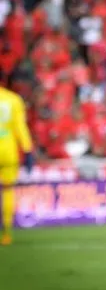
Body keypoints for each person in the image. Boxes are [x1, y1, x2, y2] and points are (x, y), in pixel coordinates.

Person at [0, 78, 34, 245]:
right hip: (7, 149)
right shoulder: (13, 99)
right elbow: (20, 126)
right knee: (7, 191)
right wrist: (27, 149)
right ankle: (6, 233)